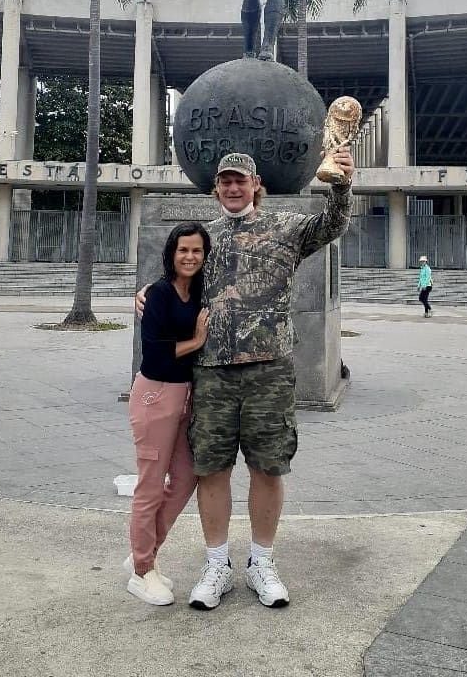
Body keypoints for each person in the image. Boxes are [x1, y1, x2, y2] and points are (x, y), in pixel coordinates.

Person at [136, 149, 353, 610]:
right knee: (211, 467)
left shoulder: (288, 229)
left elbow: (333, 225)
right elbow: (176, 276)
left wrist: (341, 183)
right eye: (225, 182)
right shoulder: (205, 238)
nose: (233, 188)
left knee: (268, 467)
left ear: (256, 185)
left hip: (269, 372)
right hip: (211, 373)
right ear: (215, 189)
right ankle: (216, 564)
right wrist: (149, 292)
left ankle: (261, 562)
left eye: (241, 181)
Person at [125, 222, 210, 606]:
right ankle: (142, 571)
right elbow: (155, 354)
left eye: (196, 250)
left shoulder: (199, 294)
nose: (189, 257)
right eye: (183, 250)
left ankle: (144, 551)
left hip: (186, 396)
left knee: (187, 477)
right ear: (171, 254)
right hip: (155, 396)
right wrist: (196, 341)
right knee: (150, 484)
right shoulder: (158, 293)